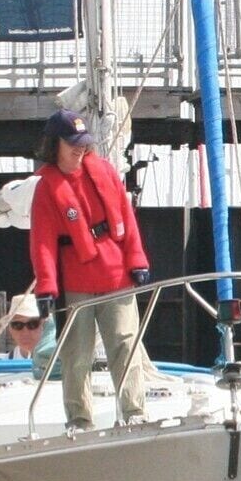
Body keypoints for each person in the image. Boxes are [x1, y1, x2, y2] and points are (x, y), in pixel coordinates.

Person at [27, 110, 154, 429]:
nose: (79, 150)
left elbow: (127, 217)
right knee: (76, 354)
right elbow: (42, 242)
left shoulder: (105, 172)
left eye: (83, 144)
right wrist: (46, 288)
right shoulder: (46, 188)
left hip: (117, 275)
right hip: (77, 281)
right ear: (54, 145)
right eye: (72, 144)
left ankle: (134, 411)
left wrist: (137, 260)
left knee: (125, 345)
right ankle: (80, 419)